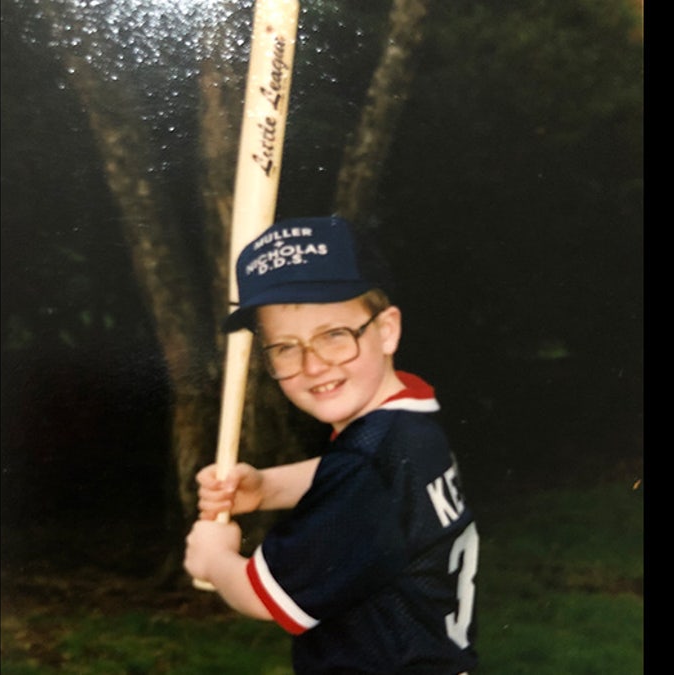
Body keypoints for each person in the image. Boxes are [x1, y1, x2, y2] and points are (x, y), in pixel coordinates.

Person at [183, 215, 479, 674]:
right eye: (284, 347)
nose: (313, 364)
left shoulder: (368, 466)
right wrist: (265, 487)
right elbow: (362, 472)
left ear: (387, 330)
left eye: (334, 336)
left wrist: (216, 558)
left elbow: (264, 598)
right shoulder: (412, 416)